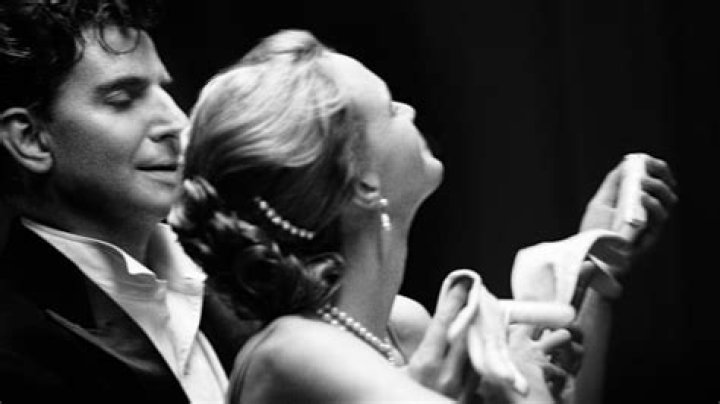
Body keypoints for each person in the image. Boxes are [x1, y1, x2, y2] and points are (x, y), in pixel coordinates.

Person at [170, 29, 677, 403]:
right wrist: (518, 383)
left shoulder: (404, 325)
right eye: (390, 108)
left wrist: (598, 256)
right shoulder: (291, 351)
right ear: (364, 183)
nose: (410, 110)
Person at [0, 1, 255, 403]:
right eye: (122, 98)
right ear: (31, 139)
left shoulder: (232, 281)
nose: (177, 122)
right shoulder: (14, 347)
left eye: (163, 91)